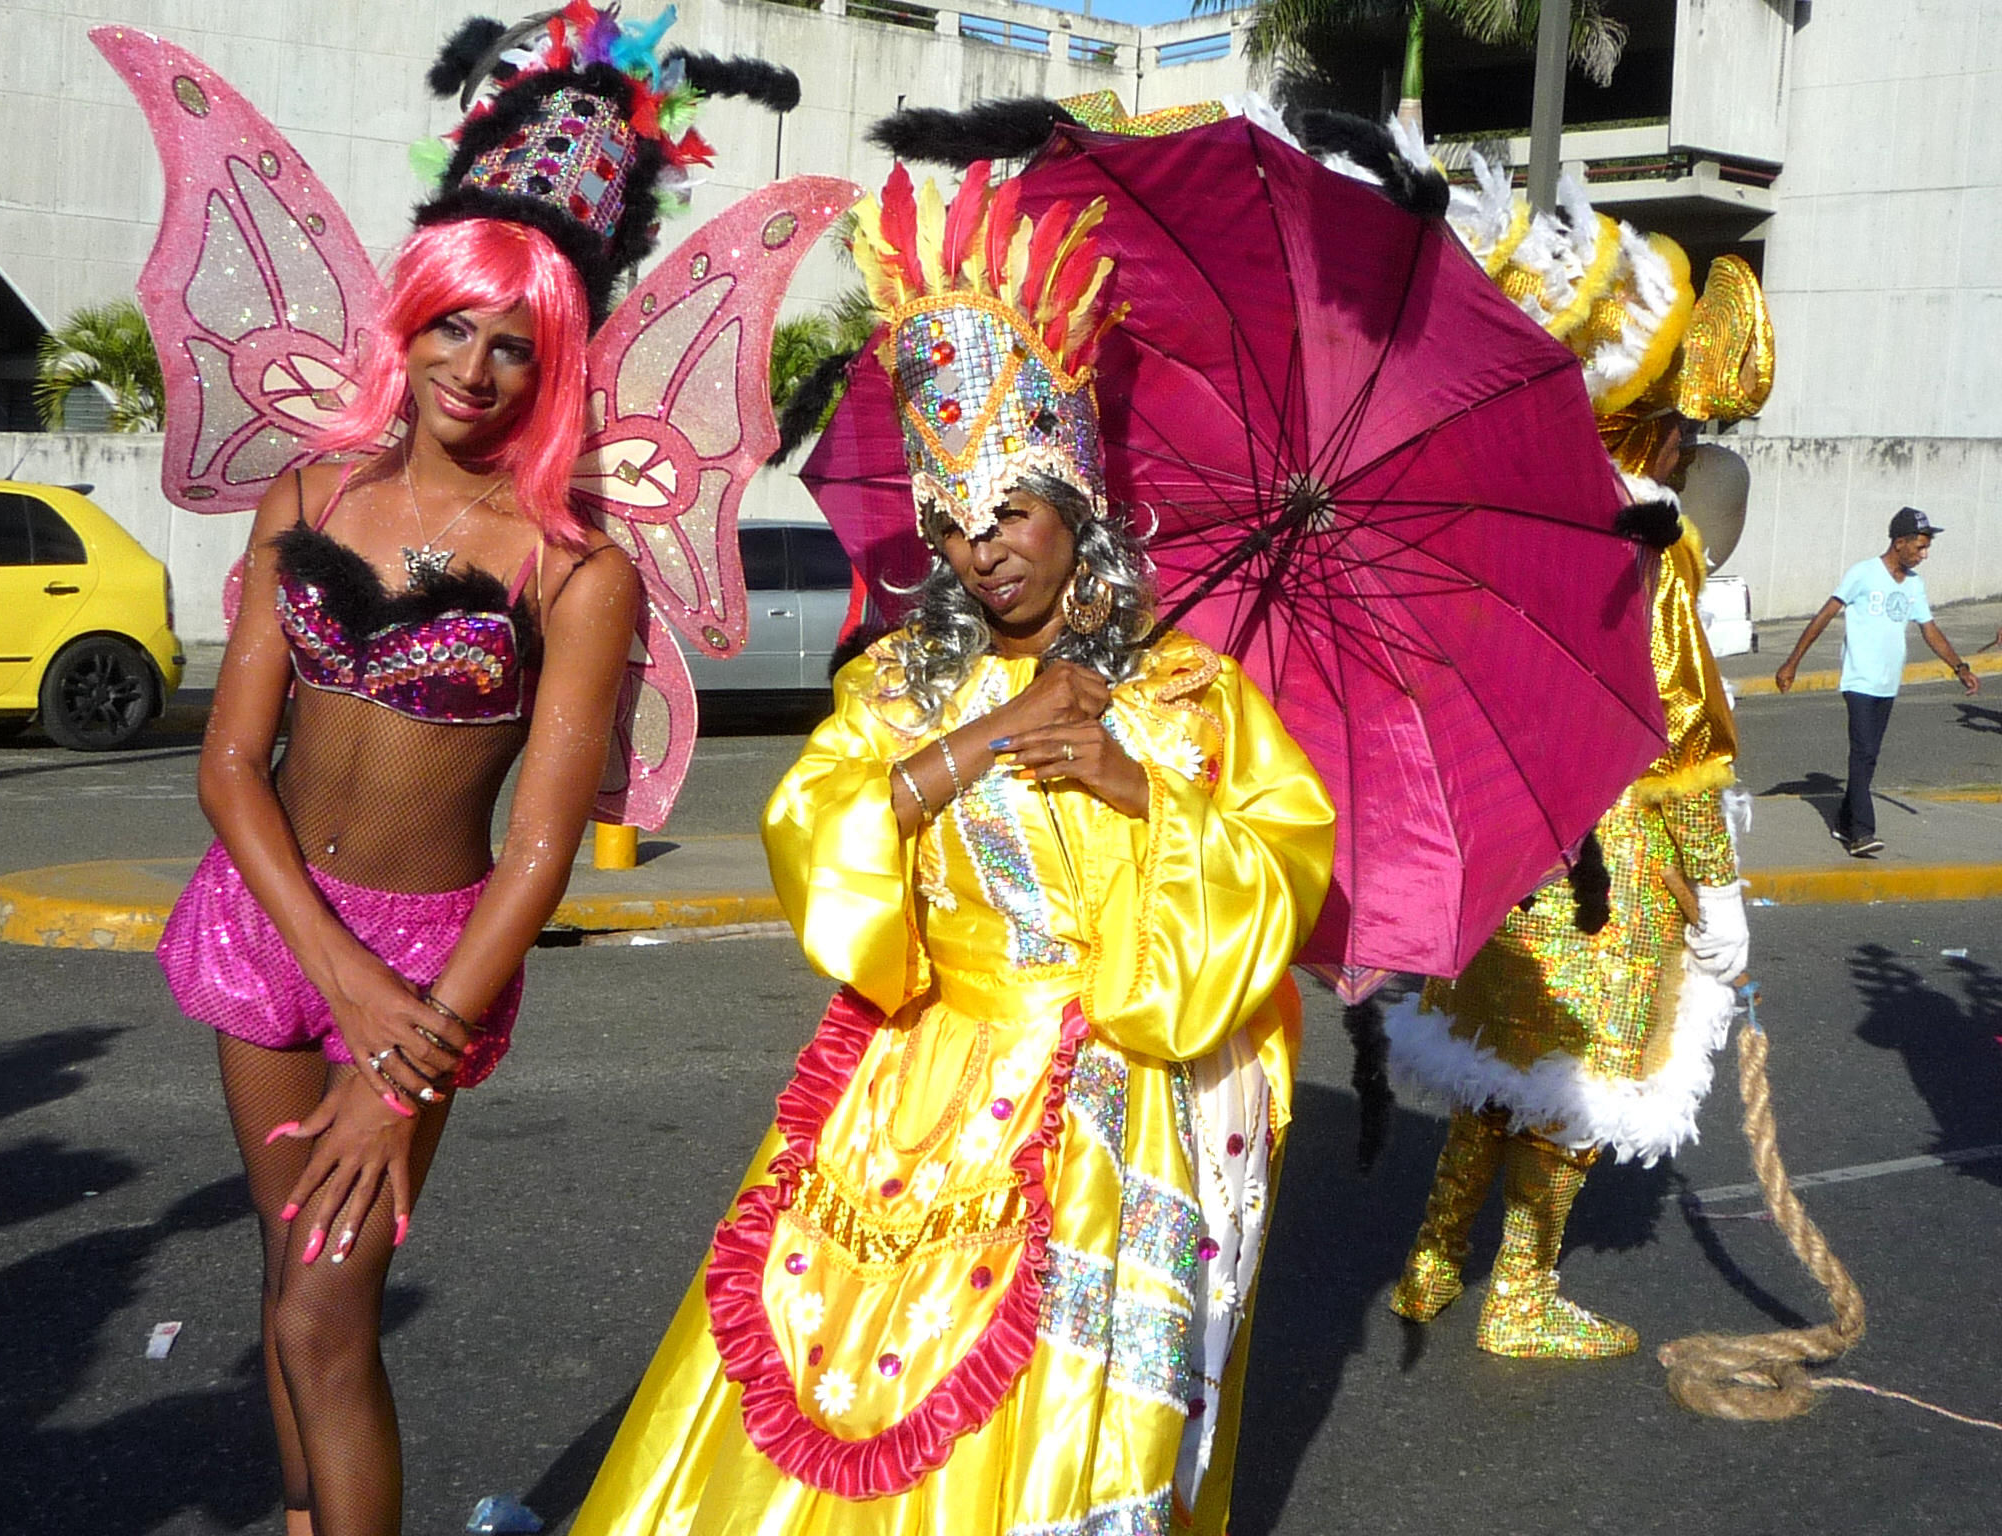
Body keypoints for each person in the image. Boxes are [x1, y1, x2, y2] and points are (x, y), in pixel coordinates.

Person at [572, 163, 1335, 1536]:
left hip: (1108, 1097)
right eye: (961, 525)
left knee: (1062, 1418)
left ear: (1077, 515)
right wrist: (982, 741)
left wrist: (1138, 788)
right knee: (822, 1384)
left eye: (1016, 516)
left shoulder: (1185, 698)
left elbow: (1282, 863)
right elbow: (814, 827)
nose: (988, 552)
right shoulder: (899, 691)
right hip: (909, 1077)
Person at [148, 11, 791, 1531]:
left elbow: (539, 855)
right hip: (269, 924)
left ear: (554, 364)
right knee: (279, 1261)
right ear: (411, 321)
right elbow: (232, 766)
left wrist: (403, 1038)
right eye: (454, 325)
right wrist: (334, 979)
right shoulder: (305, 493)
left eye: (517, 344)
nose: (477, 366)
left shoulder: (578, 571)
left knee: (321, 1313)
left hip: (434, 965)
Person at [1383, 177, 1768, 1358]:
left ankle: (1433, 1259)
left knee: (1497, 1070)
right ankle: (1520, 1294)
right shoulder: (1644, 550)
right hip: (1607, 879)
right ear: (1656, 430)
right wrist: (1719, 898)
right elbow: (1684, 752)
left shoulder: (1509, 529)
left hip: (1505, 852)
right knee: (1575, 1094)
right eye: (1692, 435)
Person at [1774, 506, 1981, 856]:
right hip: (1859, 680)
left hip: (1888, 683)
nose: (1924, 554)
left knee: (1869, 756)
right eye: (1919, 546)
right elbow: (1824, 616)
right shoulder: (1864, 574)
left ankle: (1843, 820)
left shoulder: (1915, 584)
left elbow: (1929, 629)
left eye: (1927, 547)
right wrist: (1792, 663)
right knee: (1863, 751)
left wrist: (1959, 667)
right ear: (1899, 542)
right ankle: (1861, 833)